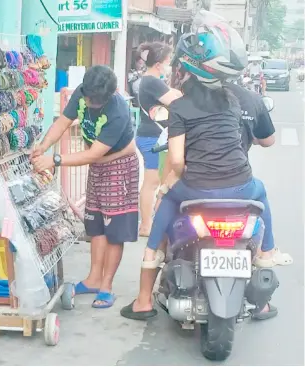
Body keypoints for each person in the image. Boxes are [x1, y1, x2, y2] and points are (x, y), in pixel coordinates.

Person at [121, 11, 281, 321]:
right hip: (241, 185)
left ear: (184, 69)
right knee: (261, 194)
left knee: (160, 222)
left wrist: (166, 187)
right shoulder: (234, 101)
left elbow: (178, 160)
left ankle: (143, 301)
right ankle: (264, 259)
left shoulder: (179, 106)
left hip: (197, 188)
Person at [31, 65, 139, 309]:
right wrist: (44, 145)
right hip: (98, 166)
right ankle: (93, 278)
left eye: (95, 101)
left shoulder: (118, 111)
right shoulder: (84, 91)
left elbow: (93, 154)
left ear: (110, 95)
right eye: (88, 98)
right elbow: (63, 121)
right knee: (96, 223)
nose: (89, 103)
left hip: (119, 167)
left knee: (115, 230)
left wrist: (55, 160)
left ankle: (106, 286)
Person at [135, 42, 182, 236]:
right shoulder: (152, 82)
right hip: (152, 137)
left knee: (157, 181)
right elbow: (176, 100)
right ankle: (146, 225)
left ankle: (151, 222)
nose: (169, 66)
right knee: (152, 182)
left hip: (154, 135)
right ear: (158, 64)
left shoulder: (150, 81)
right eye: (167, 62)